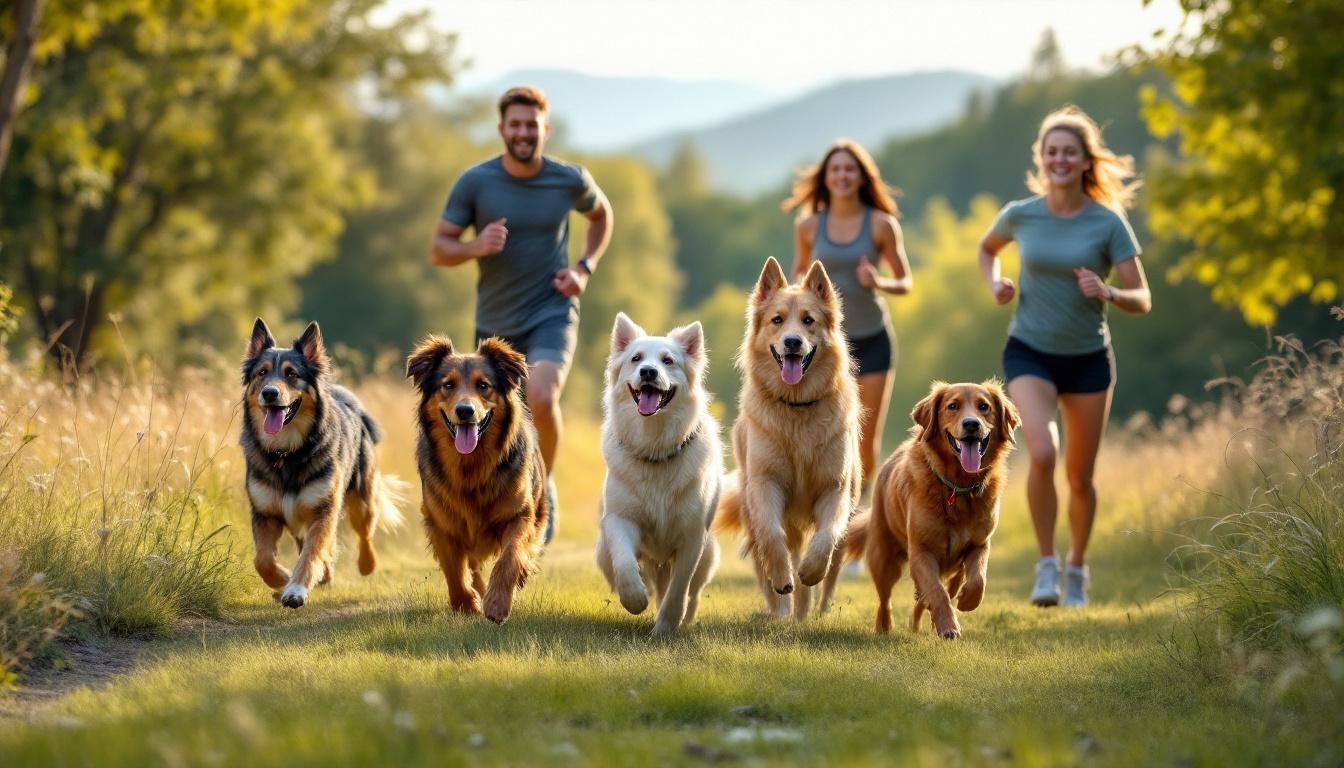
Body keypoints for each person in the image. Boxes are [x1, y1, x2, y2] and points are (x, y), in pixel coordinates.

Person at [977, 105, 1152, 607]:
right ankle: (1046, 566)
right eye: (1051, 151)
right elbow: (987, 249)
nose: (1059, 159)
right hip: (1029, 350)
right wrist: (996, 283)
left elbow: (1143, 297)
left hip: (1088, 359)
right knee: (1043, 452)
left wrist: (1110, 293)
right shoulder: (1020, 214)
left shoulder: (1107, 222)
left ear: (1084, 161)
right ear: (1041, 157)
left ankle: (1077, 566)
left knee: (1079, 477)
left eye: (1068, 152)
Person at [431, 86, 613, 544]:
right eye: (515, 125)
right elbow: (440, 248)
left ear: (544, 129)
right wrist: (475, 246)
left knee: (542, 396)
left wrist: (584, 268)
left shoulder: (567, 179)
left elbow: (601, 216)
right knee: (503, 416)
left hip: (551, 309)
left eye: (531, 125)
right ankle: (497, 497)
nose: (523, 132)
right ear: (502, 130)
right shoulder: (476, 182)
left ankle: (540, 490)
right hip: (495, 323)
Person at [784, 139, 913, 489]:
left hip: (871, 341)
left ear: (861, 177)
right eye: (835, 169)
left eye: (849, 169)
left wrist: (880, 281)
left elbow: (905, 280)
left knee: (864, 443)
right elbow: (797, 273)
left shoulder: (881, 224)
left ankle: (855, 519)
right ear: (826, 178)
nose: (842, 175)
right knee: (823, 438)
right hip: (821, 349)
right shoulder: (808, 226)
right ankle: (824, 511)